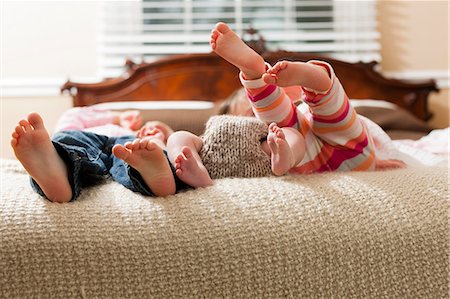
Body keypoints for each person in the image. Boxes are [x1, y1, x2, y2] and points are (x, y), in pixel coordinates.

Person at [165, 22, 405, 188]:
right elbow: (181, 140)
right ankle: (265, 77)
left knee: (314, 117)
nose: (254, 116)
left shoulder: (294, 122)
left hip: (333, 151)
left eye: (254, 106)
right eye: (250, 113)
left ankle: (285, 77)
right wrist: (175, 145)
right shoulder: (220, 141)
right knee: (284, 129)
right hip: (330, 160)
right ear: (226, 123)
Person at [10, 108, 184, 203]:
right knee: (66, 139)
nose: (151, 127)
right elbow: (74, 116)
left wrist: (157, 136)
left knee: (139, 155)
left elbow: (176, 145)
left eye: (158, 129)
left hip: (128, 145)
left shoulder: (140, 140)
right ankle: (57, 168)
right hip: (86, 137)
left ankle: (154, 176)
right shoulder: (85, 122)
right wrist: (118, 117)